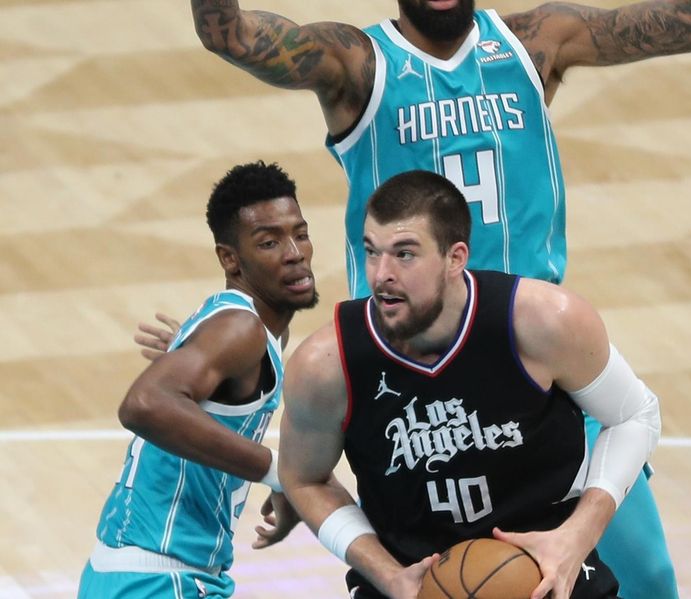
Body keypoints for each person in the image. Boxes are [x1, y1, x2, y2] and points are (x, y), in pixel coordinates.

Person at [171, 2, 691, 595]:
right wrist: (303, 476)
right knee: (431, 580)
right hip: (416, 380)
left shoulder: (534, 43)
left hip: (536, 360)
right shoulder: (359, 66)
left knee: (648, 578)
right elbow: (230, 35)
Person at [275, 170, 662, 599]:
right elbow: (303, 478)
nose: (381, 274)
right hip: (412, 582)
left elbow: (636, 415)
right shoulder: (327, 364)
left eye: (404, 254)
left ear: (455, 257)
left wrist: (576, 536)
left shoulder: (542, 322)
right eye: (371, 251)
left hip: (551, 576)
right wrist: (385, 574)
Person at [78, 161, 320, 598]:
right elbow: (144, 404)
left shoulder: (248, 329)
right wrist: (279, 472)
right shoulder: (239, 330)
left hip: (145, 575)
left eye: (299, 233)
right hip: (159, 580)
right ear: (231, 259)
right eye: (270, 242)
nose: (294, 252)